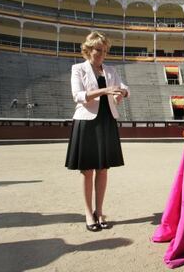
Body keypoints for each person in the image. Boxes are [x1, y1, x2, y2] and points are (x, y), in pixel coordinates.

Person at [65, 31, 129, 232]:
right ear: (88, 50)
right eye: (98, 50)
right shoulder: (78, 68)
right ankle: (87, 212)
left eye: (104, 51)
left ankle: (99, 211)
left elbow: (124, 88)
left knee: (103, 169)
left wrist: (122, 93)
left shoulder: (110, 70)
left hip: (106, 120)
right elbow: (78, 96)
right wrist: (105, 91)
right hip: (87, 122)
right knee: (88, 171)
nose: (102, 54)